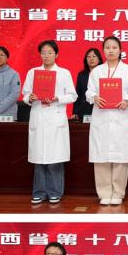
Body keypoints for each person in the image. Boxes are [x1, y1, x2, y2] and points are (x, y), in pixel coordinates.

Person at [22, 40, 77, 204]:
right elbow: (25, 95)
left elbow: (72, 96)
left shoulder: (64, 73)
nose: (46, 56)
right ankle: (39, 192)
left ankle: (55, 192)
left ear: (56, 54)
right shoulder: (33, 72)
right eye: (43, 53)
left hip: (55, 117)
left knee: (55, 158)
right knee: (39, 158)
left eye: (50, 53)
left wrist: (57, 98)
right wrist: (30, 98)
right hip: (39, 116)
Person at [86, 36, 128, 205]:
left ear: (120, 50)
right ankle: (104, 193)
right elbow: (89, 91)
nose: (111, 50)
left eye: (114, 47)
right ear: (103, 50)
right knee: (101, 156)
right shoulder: (97, 71)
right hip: (101, 117)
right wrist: (94, 97)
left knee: (121, 156)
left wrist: (127, 100)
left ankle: (118, 193)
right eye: (107, 47)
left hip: (121, 116)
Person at [73, 47, 103, 120]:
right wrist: (75, 112)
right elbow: (78, 94)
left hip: (99, 109)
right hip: (83, 109)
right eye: (88, 57)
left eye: (94, 56)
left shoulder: (104, 74)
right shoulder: (82, 74)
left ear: (99, 59)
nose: (91, 59)